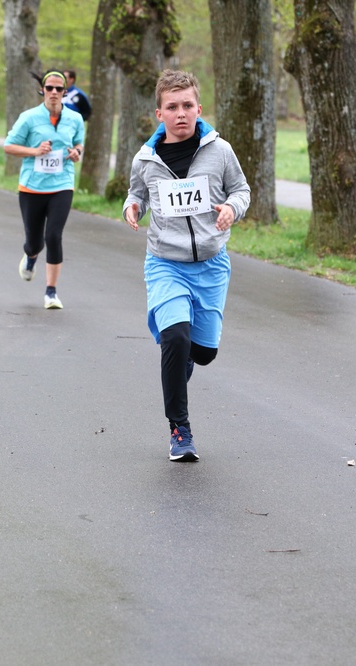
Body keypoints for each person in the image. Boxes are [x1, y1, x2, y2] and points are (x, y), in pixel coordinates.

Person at [122, 69, 250, 462]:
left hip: (211, 264)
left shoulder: (220, 151)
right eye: (172, 107)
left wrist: (231, 208)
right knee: (175, 337)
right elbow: (137, 192)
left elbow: (241, 189)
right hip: (165, 263)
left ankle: (182, 362)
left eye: (187, 105)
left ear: (199, 108)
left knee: (203, 352)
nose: (181, 113)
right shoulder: (146, 159)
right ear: (159, 113)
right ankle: (180, 430)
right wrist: (133, 207)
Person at [3, 70, 85, 310]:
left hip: (62, 184)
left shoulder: (75, 118)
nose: (54, 92)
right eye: (49, 88)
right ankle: (30, 257)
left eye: (59, 89)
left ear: (65, 92)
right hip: (32, 187)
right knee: (34, 242)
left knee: (54, 235)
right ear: (42, 90)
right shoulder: (29, 118)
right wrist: (35, 151)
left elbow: (79, 143)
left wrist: (76, 152)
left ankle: (51, 292)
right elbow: (9, 146)